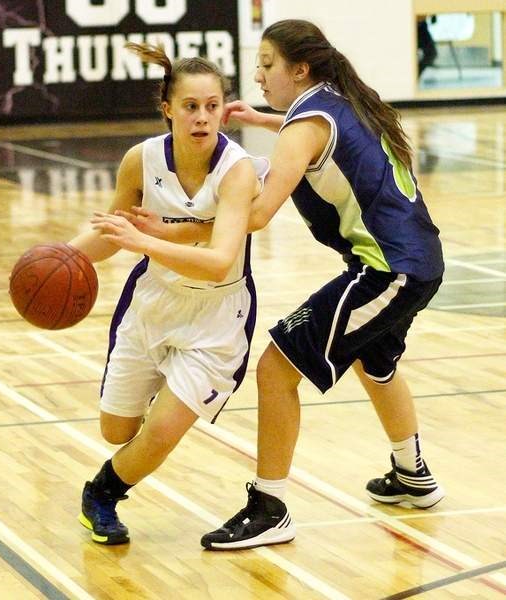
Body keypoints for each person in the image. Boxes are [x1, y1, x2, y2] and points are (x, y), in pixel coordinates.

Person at [193, 19, 445, 550]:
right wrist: (261, 119)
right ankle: (412, 473)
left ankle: (270, 506)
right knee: (374, 362)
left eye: (267, 65)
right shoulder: (335, 99)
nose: (258, 75)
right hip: (415, 259)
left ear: (298, 69)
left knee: (275, 368)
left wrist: (191, 217)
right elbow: (306, 133)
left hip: (388, 268)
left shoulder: (305, 125)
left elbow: (258, 214)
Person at [68, 42, 268, 545]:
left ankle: (102, 494)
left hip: (217, 314)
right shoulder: (141, 160)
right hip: (154, 302)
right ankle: (158, 387)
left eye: (212, 106)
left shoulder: (238, 170)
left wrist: (148, 240)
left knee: (161, 432)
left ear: (224, 108)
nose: (203, 117)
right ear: (168, 109)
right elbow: (114, 229)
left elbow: (222, 257)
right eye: (190, 106)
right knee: (117, 431)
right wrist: (63, 256)